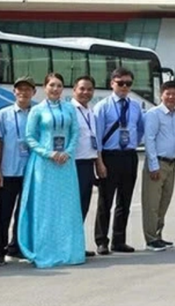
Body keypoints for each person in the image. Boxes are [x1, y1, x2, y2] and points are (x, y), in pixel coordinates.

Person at [16, 73, 85, 269]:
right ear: (44, 87)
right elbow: (30, 137)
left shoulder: (69, 108)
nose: (55, 89)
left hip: (65, 164)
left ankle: (69, 251)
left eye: (59, 85)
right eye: (52, 85)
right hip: (44, 165)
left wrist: (68, 152)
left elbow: (75, 133)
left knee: (66, 208)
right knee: (45, 209)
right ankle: (45, 251)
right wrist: (49, 153)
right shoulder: (37, 110)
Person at [93, 67, 145, 255]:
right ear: (112, 83)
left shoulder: (135, 106)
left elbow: (140, 129)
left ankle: (119, 240)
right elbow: (97, 136)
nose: (124, 87)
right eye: (120, 83)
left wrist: (132, 143)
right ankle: (101, 240)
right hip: (109, 156)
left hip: (129, 156)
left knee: (125, 200)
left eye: (128, 83)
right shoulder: (103, 106)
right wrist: (99, 162)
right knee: (105, 202)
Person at [141, 80, 175, 250]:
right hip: (157, 163)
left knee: (164, 202)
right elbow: (149, 140)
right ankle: (151, 238)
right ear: (161, 95)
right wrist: (153, 166)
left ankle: (158, 234)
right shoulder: (154, 114)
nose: (171, 97)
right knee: (152, 203)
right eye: (168, 93)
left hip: (171, 164)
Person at [0, 76, 35, 262]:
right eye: (20, 89)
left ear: (34, 92)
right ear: (14, 92)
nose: (23, 92)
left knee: (24, 213)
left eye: (27, 89)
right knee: (3, 213)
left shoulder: (36, 114)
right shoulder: (4, 114)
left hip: (30, 173)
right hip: (8, 171)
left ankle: (16, 247)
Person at [71, 75, 103, 256]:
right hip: (73, 164)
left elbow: (94, 140)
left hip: (88, 163)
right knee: (72, 208)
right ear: (74, 90)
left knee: (83, 206)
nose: (86, 92)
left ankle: (77, 245)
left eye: (89, 89)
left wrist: (99, 163)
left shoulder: (90, 111)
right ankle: (68, 246)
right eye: (82, 89)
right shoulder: (69, 110)